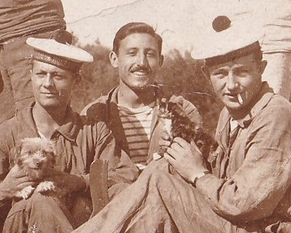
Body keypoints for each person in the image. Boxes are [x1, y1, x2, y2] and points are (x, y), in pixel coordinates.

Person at [0, 16, 291, 233]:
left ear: (261, 69)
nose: (231, 85)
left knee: (162, 176)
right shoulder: (230, 115)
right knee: (162, 173)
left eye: (241, 72)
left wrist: (195, 172)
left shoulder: (275, 117)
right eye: (220, 74)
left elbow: (243, 203)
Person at [0, 39, 135, 233]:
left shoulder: (93, 131)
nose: (47, 84)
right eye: (41, 74)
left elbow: (125, 175)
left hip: (81, 232)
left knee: (107, 197)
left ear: (76, 81)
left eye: (58, 76)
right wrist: (3, 190)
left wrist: (79, 182)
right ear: (31, 75)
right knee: (42, 200)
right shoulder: (3, 136)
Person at [82, 22, 206, 165]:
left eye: (150, 54)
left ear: (160, 61)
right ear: (114, 59)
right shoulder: (94, 115)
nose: (141, 62)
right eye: (132, 53)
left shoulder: (183, 111)